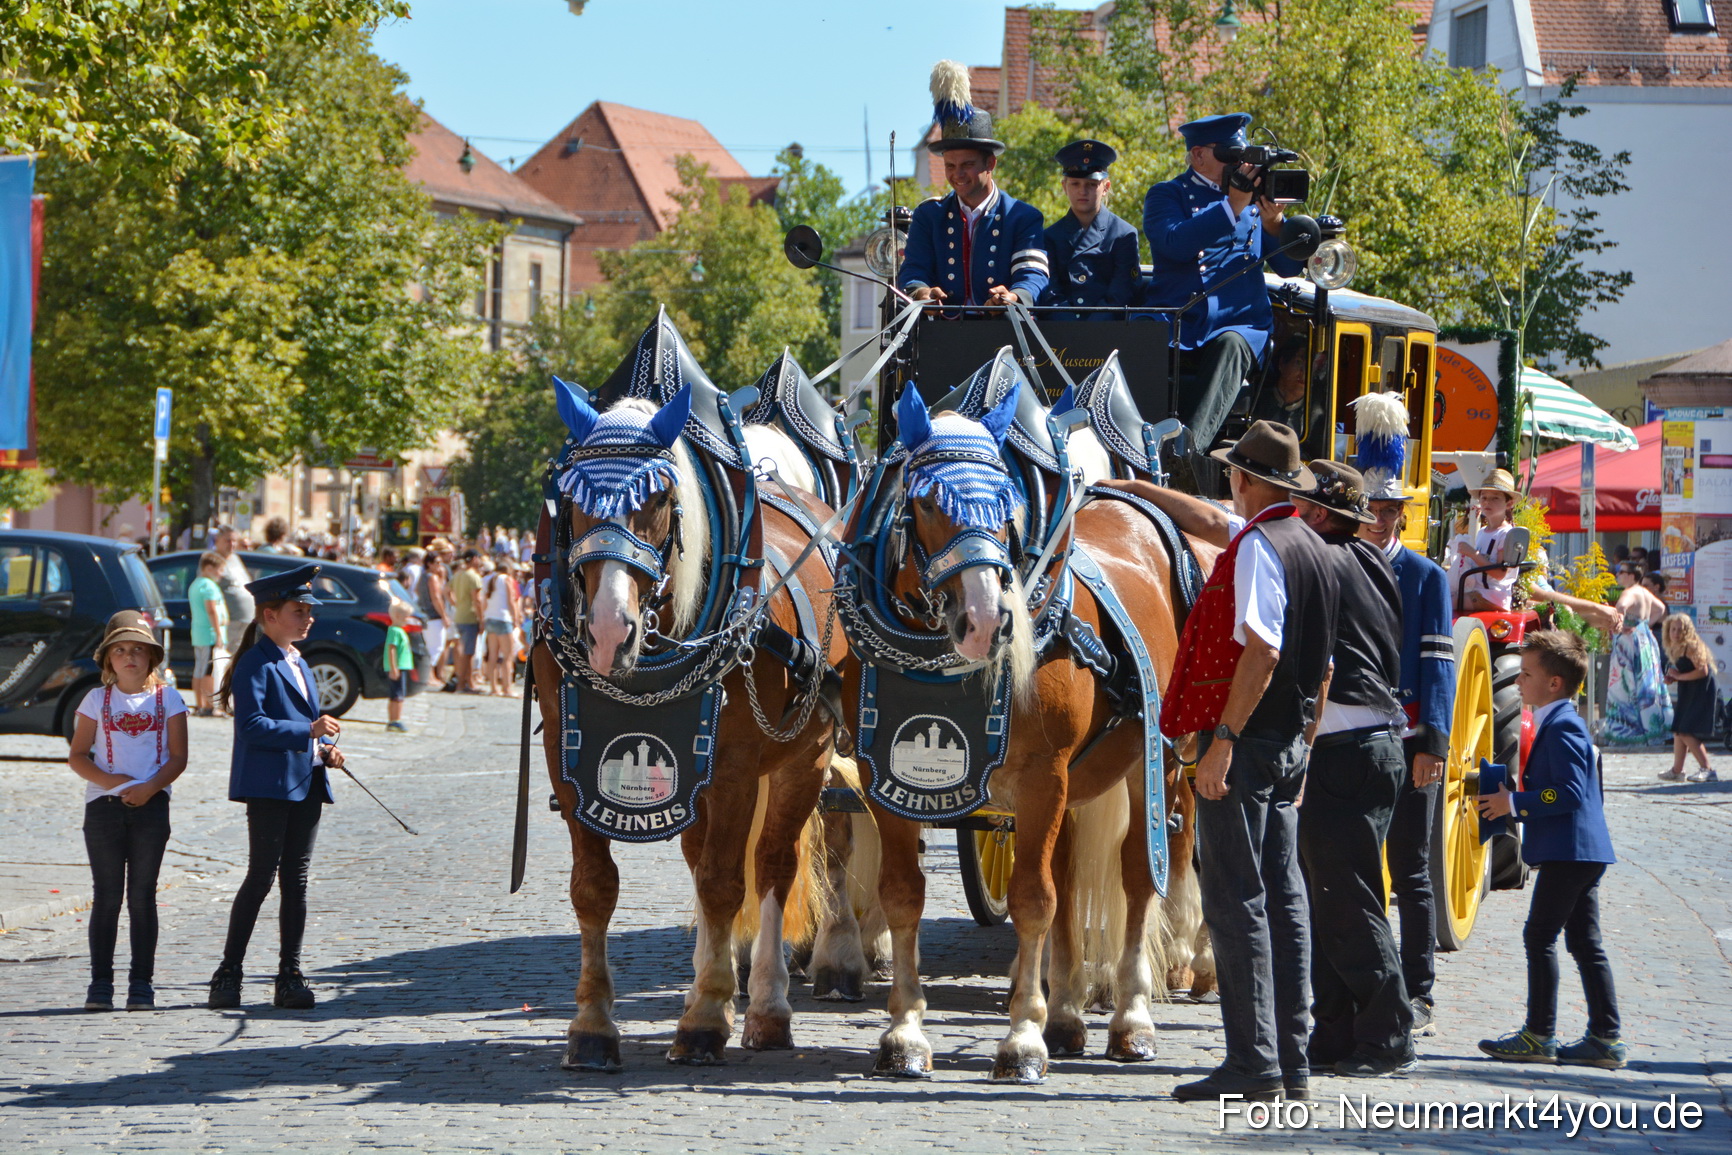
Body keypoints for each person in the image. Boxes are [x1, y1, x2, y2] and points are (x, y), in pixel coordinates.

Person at [1134, 420, 1339, 1102]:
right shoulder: (1316, 545)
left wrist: (1222, 737)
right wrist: (1303, 744)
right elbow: (1325, 666)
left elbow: (1264, 650)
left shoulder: (1260, 547)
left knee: (1236, 899)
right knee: (1284, 897)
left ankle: (1253, 1061)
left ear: (1244, 480)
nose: (1229, 483)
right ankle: (1292, 1059)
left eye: (1232, 474)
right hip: (1284, 745)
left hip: (1246, 746)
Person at [1292, 460, 1415, 1078]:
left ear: (1316, 512)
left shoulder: (1323, 560)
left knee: (1345, 900)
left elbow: (1316, 661)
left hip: (1346, 747)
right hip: (1370, 744)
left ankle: (1387, 1033)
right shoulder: (1371, 558)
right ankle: (1337, 1028)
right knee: (1334, 897)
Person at [1477, 630, 1626, 1069]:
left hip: (1571, 851)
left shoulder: (1561, 727)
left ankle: (1539, 1034)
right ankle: (1605, 1037)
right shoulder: (1560, 722)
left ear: (1554, 683)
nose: (1519, 682)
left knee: (1539, 936)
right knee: (1584, 942)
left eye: (1526, 674)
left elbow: (1570, 793)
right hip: (1580, 850)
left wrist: (1515, 802)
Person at [207, 565, 347, 1011]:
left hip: (304, 783)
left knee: (297, 882)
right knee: (261, 877)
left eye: (309, 610)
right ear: (270, 615)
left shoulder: (298, 661)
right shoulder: (255, 662)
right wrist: (309, 730)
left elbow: (308, 728)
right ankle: (228, 971)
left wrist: (326, 748)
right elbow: (252, 726)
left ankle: (290, 974)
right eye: (298, 610)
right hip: (270, 786)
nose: (307, 618)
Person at [1356, 447, 1455, 1042]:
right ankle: (1370, 980)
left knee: (1411, 870)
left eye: (1387, 508)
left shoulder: (1426, 577)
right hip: (1354, 740)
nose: (1377, 517)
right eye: (1368, 507)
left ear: (1399, 513)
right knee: (1356, 867)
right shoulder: (1342, 564)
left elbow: (1439, 664)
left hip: (1411, 738)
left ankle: (1419, 990)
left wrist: (1433, 745)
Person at [1142, 113, 1305, 457]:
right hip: (1181, 320)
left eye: (1244, 154)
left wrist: (1275, 223)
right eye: (1230, 154)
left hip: (1239, 323)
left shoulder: (1257, 200)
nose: (1241, 164)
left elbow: (1289, 267)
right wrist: (1231, 205)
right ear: (1198, 155)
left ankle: (1183, 454)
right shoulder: (1168, 195)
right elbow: (1173, 243)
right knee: (1136, 340)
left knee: (1231, 344)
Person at [67, 611, 189, 1012]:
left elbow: (177, 758)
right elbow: (78, 756)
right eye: (120, 650)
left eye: (138, 650)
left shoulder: (168, 698)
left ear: (151, 657)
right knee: (107, 896)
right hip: (102, 807)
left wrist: (149, 788)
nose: (129, 657)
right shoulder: (94, 699)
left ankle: (142, 984)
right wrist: (115, 784)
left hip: (152, 806)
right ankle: (100, 984)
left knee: (142, 895)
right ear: (108, 660)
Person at [897, 61, 1048, 308]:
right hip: (942, 333)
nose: (958, 174)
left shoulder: (1023, 217)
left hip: (1003, 333)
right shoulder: (929, 215)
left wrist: (1013, 296)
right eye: (950, 166)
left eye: (966, 165)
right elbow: (914, 269)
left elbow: (1033, 274)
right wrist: (922, 293)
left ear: (991, 163)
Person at [1037, 139, 1139, 321]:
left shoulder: (1123, 234)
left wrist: (1091, 329)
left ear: (1105, 187)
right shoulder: (1050, 236)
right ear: (1064, 187)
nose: (1083, 191)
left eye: (1092, 184)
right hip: (1061, 332)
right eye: (1075, 184)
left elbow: (1121, 294)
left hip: (1108, 331)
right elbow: (1050, 292)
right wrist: (1071, 325)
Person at [1602, 564, 1672, 745]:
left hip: (1629, 642)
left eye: (1622, 572)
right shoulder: (1644, 592)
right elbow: (1661, 609)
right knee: (1647, 684)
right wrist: (1646, 625)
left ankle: (1630, 733)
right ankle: (1651, 729)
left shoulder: (1630, 592)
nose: (1617, 575)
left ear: (1632, 576)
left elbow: (1620, 606)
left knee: (1626, 686)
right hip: (1644, 640)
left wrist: (1617, 626)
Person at [1448, 470, 1519, 612]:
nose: (1487, 502)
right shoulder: (1482, 532)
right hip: (1478, 592)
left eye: (1495, 498)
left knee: (1443, 604)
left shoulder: (1506, 534)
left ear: (1509, 503)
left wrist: (1473, 554)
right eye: (1484, 497)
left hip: (1492, 597)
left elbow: (1499, 573)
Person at [1660, 613, 1718, 783]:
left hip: (1701, 689)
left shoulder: (1691, 646)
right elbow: (1684, 672)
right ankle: (1677, 771)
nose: (1676, 633)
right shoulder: (1675, 647)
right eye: (1673, 629)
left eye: (1680, 629)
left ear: (1687, 631)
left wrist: (1679, 677)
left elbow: (1703, 671)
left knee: (1685, 730)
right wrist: (1673, 677)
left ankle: (1707, 769)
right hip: (1689, 689)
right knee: (1678, 729)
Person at [187, 551, 230, 718]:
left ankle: (200, 704)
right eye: (219, 570)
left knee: (199, 669)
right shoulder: (209, 586)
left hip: (199, 634)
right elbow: (212, 610)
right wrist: (219, 634)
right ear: (209, 568)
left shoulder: (196, 584)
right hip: (209, 634)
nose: (221, 574)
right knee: (208, 671)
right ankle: (208, 706)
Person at [212, 525, 255, 650]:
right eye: (228, 540)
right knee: (227, 657)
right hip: (229, 620)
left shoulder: (235, 558)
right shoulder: (212, 561)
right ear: (217, 541)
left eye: (234, 541)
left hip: (246, 619)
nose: (231, 544)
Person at [449, 548, 485, 693]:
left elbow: (446, 590)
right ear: (474, 558)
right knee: (468, 653)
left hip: (459, 615)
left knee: (464, 652)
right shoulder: (473, 577)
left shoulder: (458, 575)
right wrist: (481, 619)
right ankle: (461, 685)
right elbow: (477, 600)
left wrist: (455, 603)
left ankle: (468, 683)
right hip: (470, 617)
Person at [419, 539, 453, 688]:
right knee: (436, 647)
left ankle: (430, 675)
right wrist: (444, 616)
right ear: (429, 564)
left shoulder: (422, 577)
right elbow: (436, 597)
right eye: (437, 563)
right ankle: (427, 675)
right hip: (434, 616)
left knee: (430, 646)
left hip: (426, 614)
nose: (440, 566)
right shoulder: (432, 577)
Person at [383, 600, 414, 732]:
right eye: (406, 616)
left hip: (401, 666)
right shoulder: (395, 631)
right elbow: (391, 649)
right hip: (398, 667)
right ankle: (395, 720)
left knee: (396, 694)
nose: (408, 619)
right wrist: (394, 668)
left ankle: (393, 720)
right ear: (397, 616)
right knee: (398, 695)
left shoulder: (399, 631)